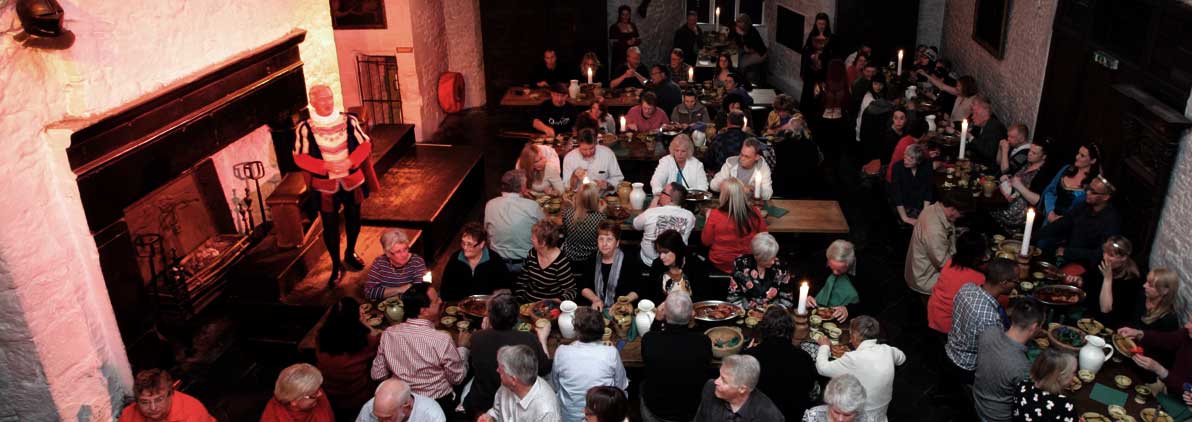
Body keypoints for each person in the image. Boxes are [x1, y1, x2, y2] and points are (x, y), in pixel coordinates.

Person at [293, 84, 379, 287]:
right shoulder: (305, 127)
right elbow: (299, 157)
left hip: (351, 181)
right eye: (322, 99)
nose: (328, 102)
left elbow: (365, 144)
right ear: (313, 102)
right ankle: (335, 265)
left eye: (330, 98)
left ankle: (350, 252)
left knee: (354, 218)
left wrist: (351, 161)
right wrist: (324, 166)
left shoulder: (349, 120)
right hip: (325, 186)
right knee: (330, 225)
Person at [370, 284, 468, 411]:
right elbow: (457, 378)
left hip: (403, 402)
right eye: (436, 300)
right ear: (423, 311)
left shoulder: (388, 334)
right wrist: (463, 348)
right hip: (437, 402)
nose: (440, 301)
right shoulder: (441, 339)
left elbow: (377, 374)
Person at [464, 291, 553, 418]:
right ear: (516, 317)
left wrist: (486, 331)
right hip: (512, 405)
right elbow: (545, 369)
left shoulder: (477, 337)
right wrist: (543, 339)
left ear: (489, 317)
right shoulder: (528, 338)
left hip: (483, 401)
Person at [814, 316, 905, 420]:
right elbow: (902, 358)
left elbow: (822, 368)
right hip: (880, 416)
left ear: (855, 335)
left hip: (856, 416)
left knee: (815, 410)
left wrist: (824, 346)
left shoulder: (853, 358)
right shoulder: (888, 350)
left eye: (850, 334)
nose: (850, 339)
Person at [639, 292, 711, 422]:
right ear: (692, 314)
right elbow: (695, 339)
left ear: (664, 314)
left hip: (656, 411)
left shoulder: (649, 340)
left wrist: (657, 321)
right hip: (691, 411)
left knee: (640, 384)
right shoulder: (704, 342)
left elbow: (652, 338)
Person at [947, 258, 1017, 386]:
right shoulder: (991, 319)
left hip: (951, 349)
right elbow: (996, 353)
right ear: (1004, 283)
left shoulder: (967, 288)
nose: (1016, 285)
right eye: (1015, 281)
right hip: (967, 366)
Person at [973, 297, 1045, 422]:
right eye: (1041, 326)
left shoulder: (989, 332)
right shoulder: (1022, 366)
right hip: (997, 418)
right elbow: (1027, 401)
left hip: (978, 402)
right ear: (1034, 327)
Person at [552, 307, 629, 422]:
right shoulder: (611, 352)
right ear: (602, 331)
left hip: (570, 416)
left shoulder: (561, 352)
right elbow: (620, 386)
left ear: (576, 331)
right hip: (601, 416)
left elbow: (556, 386)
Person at [744, 307, 817, 420]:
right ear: (791, 331)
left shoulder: (749, 358)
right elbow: (812, 391)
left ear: (763, 330)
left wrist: (747, 353)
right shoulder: (804, 358)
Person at [317, 298, 382, 421]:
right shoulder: (364, 341)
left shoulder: (321, 338)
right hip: (357, 396)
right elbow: (379, 339)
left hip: (329, 394)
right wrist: (365, 323)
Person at [1037, 175, 1120, 269]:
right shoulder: (1083, 206)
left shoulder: (1111, 221)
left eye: (1093, 192)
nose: (1087, 193)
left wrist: (1068, 252)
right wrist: (1033, 236)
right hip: (1066, 254)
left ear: (1106, 197)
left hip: (1085, 266)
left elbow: (1100, 253)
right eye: (1088, 188)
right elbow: (1062, 223)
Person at [1116, 309, 1192, 398]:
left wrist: (1159, 370)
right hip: (1168, 390)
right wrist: (1139, 333)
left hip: (1181, 402)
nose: (1186, 326)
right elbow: (1166, 339)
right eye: (1190, 321)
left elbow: (1187, 389)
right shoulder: (1186, 334)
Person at [1069, 236, 1142, 328]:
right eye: (1104, 252)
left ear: (1123, 257)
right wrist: (1079, 280)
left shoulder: (1131, 280)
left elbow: (1106, 309)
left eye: (1111, 255)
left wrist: (1107, 278)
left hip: (1109, 323)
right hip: (1088, 312)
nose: (1105, 257)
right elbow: (1088, 280)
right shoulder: (1102, 263)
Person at [480, 345, 562, 422]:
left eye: (501, 370)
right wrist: (490, 417)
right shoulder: (507, 385)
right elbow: (497, 410)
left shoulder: (546, 412)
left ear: (513, 380)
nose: (497, 370)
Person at [904, 194, 966, 295]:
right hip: (924, 278)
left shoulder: (932, 209)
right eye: (962, 214)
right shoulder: (935, 230)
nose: (961, 217)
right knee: (964, 285)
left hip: (917, 268)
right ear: (953, 209)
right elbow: (944, 264)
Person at [927, 231, 988, 334]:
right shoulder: (979, 279)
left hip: (934, 311)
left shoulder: (950, 262)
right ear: (978, 257)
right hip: (947, 324)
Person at [692, 355, 784, 422]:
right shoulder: (710, 388)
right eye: (719, 375)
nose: (716, 381)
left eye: (724, 380)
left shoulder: (769, 416)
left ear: (742, 389)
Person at [703, 178, 767, 273]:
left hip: (721, 263)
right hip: (748, 262)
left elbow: (706, 242)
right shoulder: (755, 212)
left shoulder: (714, 214)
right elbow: (764, 237)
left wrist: (707, 219)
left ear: (723, 196)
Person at [485, 170, 545, 271]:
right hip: (526, 264)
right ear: (522, 187)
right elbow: (545, 230)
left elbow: (487, 233)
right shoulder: (532, 206)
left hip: (497, 264)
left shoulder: (490, 204)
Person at [579, 221, 642, 310]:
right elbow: (583, 286)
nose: (604, 244)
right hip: (597, 308)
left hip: (622, 309)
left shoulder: (629, 260)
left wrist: (623, 302)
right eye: (601, 239)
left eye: (609, 239)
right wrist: (595, 299)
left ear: (617, 243)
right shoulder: (592, 259)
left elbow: (637, 289)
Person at [440, 222, 511, 302]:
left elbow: (505, 291)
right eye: (463, 243)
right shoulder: (455, 259)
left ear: (481, 244)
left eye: (469, 244)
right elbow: (445, 291)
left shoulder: (494, 260)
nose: (465, 247)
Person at [633, 182, 696, 265]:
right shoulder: (690, 217)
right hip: (675, 263)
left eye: (663, 192)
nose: (660, 194)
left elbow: (636, 225)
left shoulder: (651, 213)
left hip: (649, 262)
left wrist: (653, 204)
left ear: (669, 198)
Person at [992, 140, 1049, 231]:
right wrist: (1007, 178)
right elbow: (1011, 174)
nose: (1029, 154)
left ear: (1044, 157)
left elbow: (1037, 200)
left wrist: (1019, 186)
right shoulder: (1027, 163)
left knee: (986, 211)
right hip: (1006, 201)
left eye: (1034, 153)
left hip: (1016, 213)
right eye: (1030, 151)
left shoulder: (1043, 174)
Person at [516, 220, 578, 303]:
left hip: (549, 307)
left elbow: (571, 291)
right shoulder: (532, 253)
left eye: (533, 237)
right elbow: (522, 279)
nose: (531, 239)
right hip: (528, 303)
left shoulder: (560, 262)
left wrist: (556, 300)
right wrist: (519, 299)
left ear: (543, 243)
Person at [119, 369, 215, 422]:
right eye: (145, 402)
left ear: (171, 395)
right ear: (137, 401)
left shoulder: (192, 414)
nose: (153, 408)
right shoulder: (128, 415)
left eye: (159, 399)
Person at [646, 229, 713, 303]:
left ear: (677, 250)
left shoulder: (696, 265)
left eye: (665, 252)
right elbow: (651, 294)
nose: (661, 257)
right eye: (660, 253)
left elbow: (703, 296)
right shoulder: (657, 264)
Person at [1039, 143, 1101, 224]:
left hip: (1069, 225)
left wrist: (1063, 220)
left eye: (1082, 155)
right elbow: (1050, 191)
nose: (1077, 157)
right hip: (1050, 218)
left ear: (1093, 160)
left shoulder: (1093, 183)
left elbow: (1088, 210)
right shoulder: (1067, 169)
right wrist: (1050, 212)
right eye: (1078, 153)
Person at [728, 232, 793, 309]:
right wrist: (741, 312)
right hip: (747, 309)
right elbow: (734, 295)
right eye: (768, 258)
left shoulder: (780, 266)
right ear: (757, 257)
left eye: (774, 256)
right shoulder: (741, 264)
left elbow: (786, 297)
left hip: (773, 310)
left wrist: (779, 312)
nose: (773, 262)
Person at [1010, 349, 1077, 421]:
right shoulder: (1063, 405)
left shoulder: (1022, 386)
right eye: (1073, 372)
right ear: (1061, 377)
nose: (1075, 376)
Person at [807, 239, 862, 323]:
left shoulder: (864, 268)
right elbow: (805, 283)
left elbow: (872, 303)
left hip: (847, 319)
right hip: (817, 313)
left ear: (849, 264)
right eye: (831, 267)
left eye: (839, 270)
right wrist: (807, 297)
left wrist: (848, 309)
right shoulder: (818, 259)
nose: (835, 273)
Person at [365, 229, 428, 300]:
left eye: (405, 249)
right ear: (387, 253)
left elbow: (420, 291)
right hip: (386, 305)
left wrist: (388, 293)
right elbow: (369, 292)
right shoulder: (379, 263)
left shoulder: (417, 262)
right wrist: (399, 289)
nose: (404, 254)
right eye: (398, 252)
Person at [1114, 268, 1182, 333]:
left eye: (1150, 285)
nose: (1144, 285)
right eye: (1146, 282)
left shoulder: (1168, 319)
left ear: (1165, 291)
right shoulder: (1142, 296)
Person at [261, 363, 335, 422]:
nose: (320, 394)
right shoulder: (273, 417)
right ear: (294, 401)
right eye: (313, 395)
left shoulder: (318, 396)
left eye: (319, 388)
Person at [356, 379, 445, 422]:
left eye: (388, 418)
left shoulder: (431, 415)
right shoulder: (369, 407)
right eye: (378, 417)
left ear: (407, 405)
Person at [890, 144, 935, 226]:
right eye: (905, 157)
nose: (905, 161)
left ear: (919, 162)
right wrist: (905, 218)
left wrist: (925, 213)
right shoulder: (897, 167)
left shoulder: (927, 165)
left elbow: (928, 190)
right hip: (904, 205)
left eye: (910, 160)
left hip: (922, 204)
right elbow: (897, 194)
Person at [561, 183, 606, 264]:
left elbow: (565, 233)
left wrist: (569, 205)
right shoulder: (600, 218)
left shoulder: (567, 213)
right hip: (590, 259)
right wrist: (602, 212)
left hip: (569, 257)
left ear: (578, 198)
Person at [801, 374, 874, 422]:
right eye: (836, 412)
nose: (840, 419)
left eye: (847, 415)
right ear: (829, 404)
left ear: (857, 411)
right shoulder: (812, 417)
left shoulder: (867, 419)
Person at [966, 97, 1008, 168]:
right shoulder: (981, 125)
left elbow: (989, 153)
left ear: (985, 116)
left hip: (988, 167)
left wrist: (971, 138)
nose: (972, 117)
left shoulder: (994, 128)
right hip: (977, 161)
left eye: (975, 114)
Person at [730, 13, 768, 85]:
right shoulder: (739, 29)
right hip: (750, 51)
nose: (737, 25)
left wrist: (742, 35)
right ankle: (739, 79)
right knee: (737, 59)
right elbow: (737, 43)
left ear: (745, 23)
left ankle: (741, 82)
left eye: (740, 22)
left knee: (742, 64)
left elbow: (748, 48)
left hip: (760, 53)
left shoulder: (752, 31)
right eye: (737, 22)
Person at [608, 5, 640, 70]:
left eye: (627, 15)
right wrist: (626, 43)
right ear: (620, 15)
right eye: (623, 14)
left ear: (629, 15)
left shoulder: (633, 25)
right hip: (619, 57)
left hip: (632, 57)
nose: (625, 17)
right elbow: (612, 44)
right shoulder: (614, 27)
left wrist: (635, 41)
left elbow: (638, 39)